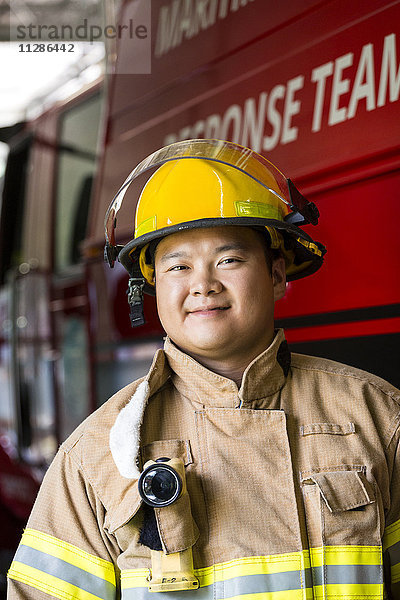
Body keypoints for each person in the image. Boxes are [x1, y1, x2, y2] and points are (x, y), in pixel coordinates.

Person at [7, 139, 400, 600]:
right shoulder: (97, 455)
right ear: (152, 287)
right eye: (178, 266)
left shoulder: (377, 415)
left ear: (276, 275)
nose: (203, 285)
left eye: (228, 259)